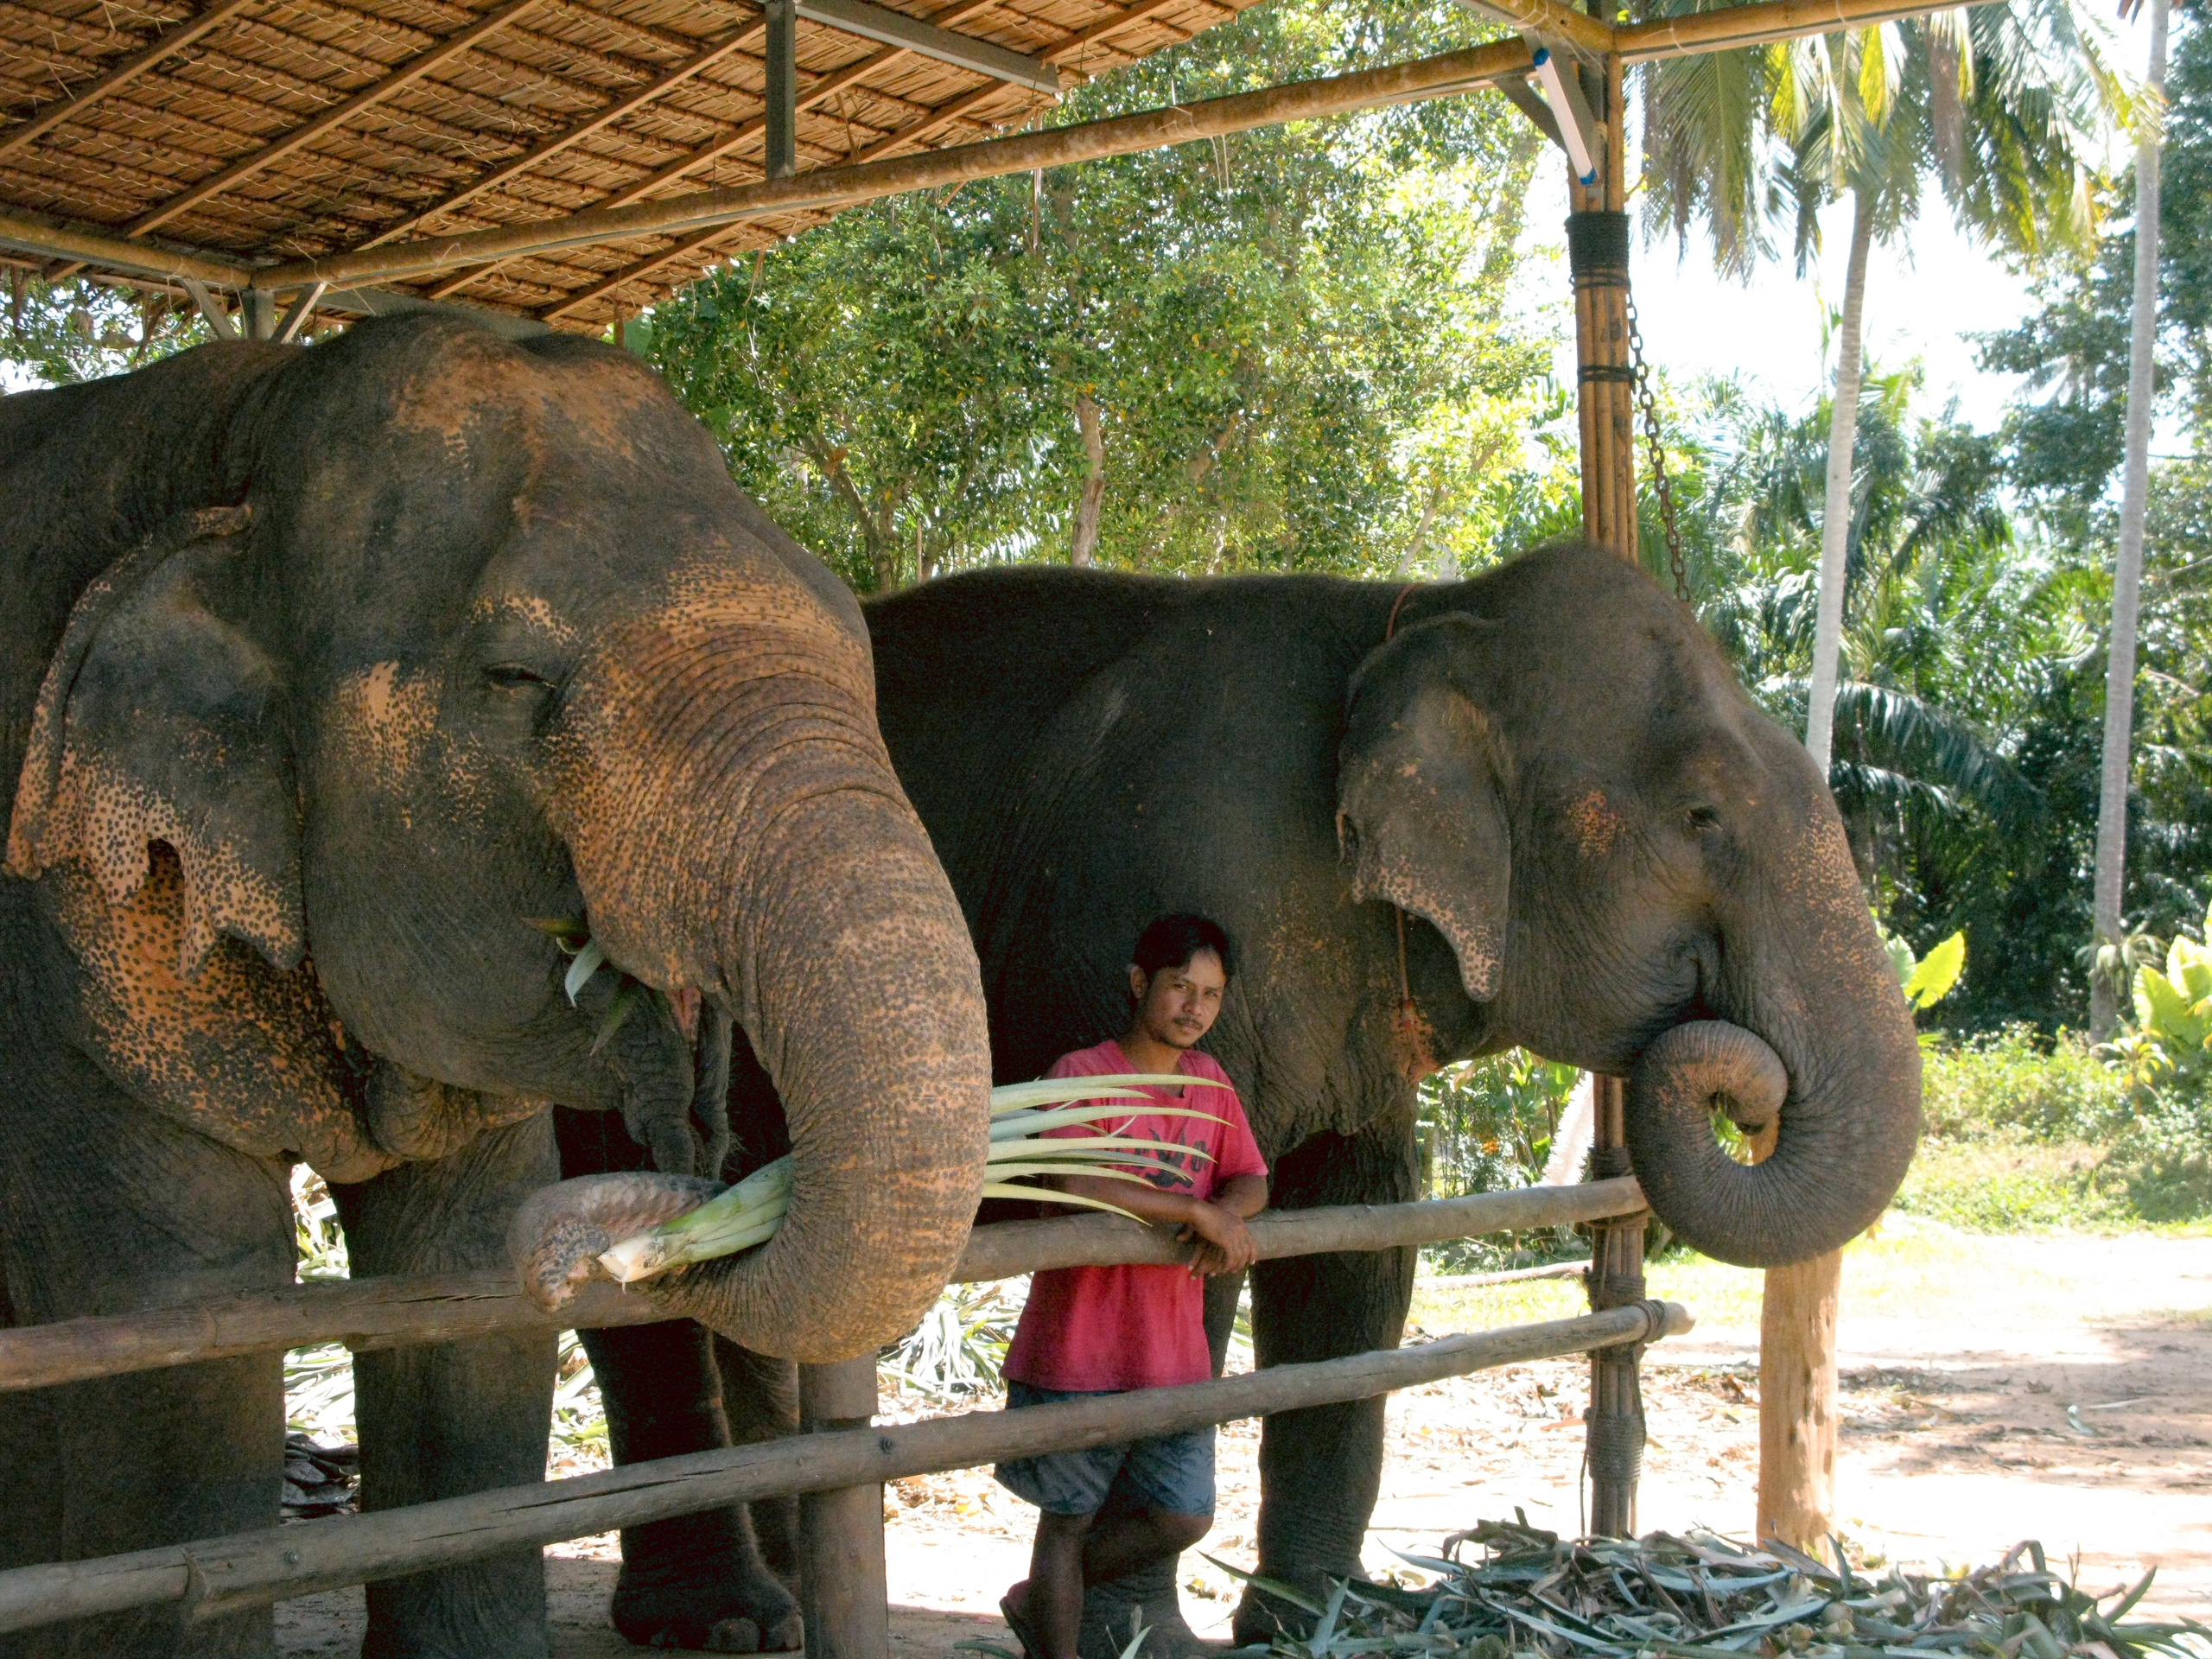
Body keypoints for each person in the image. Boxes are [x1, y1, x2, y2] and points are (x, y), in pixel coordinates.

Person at [994, 914, 1269, 1659]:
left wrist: (1228, 1214)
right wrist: (1191, 1210)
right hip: (1076, 1345)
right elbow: (1072, 1181)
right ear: (1140, 982)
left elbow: (1251, 1177)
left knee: (1184, 1517)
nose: (1195, 1008)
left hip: (1171, 1354)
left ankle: (1040, 1597)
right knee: (1068, 1519)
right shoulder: (1080, 1074)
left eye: (1211, 994)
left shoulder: (1211, 1086)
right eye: (1181, 987)